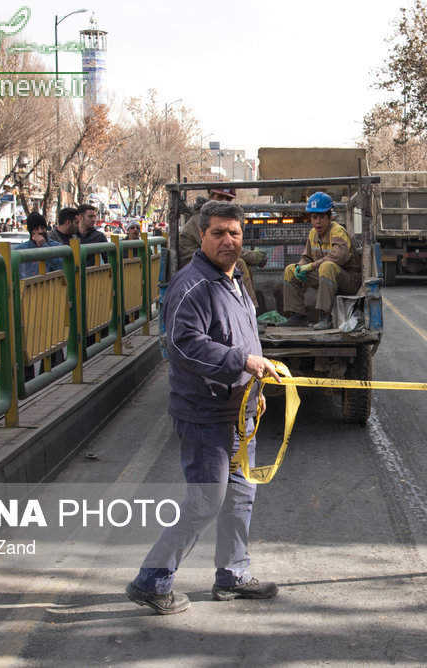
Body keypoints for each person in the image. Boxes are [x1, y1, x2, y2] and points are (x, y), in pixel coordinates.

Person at [126, 199, 281, 615]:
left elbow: (245, 335)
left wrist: (254, 385)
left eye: (234, 233)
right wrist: (241, 363)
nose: (228, 241)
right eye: (218, 233)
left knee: (240, 497)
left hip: (239, 412)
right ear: (202, 236)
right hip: (205, 414)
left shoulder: (234, 280)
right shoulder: (191, 284)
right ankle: (151, 581)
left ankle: (233, 574)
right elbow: (183, 344)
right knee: (206, 501)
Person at [279, 192, 361, 331]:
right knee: (290, 271)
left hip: (348, 279)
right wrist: (300, 267)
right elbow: (307, 257)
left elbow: (340, 256)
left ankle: (325, 317)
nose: (318, 221)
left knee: (326, 266)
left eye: (322, 217)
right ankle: (298, 316)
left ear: (330, 217)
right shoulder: (313, 234)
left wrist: (312, 266)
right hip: (326, 278)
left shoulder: (337, 231)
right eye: (314, 217)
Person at [177, 189, 263, 305]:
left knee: (241, 264)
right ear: (211, 196)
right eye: (220, 197)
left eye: (228, 199)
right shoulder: (202, 219)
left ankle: (247, 307)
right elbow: (222, 248)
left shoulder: (213, 218)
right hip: (194, 263)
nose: (224, 201)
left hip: (205, 262)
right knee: (238, 263)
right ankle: (249, 307)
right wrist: (253, 256)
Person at [16, 212, 64, 278]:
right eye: (36, 229)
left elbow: (62, 266)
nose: (40, 231)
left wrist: (43, 246)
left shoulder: (56, 246)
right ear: (31, 231)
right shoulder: (20, 249)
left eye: (43, 228)